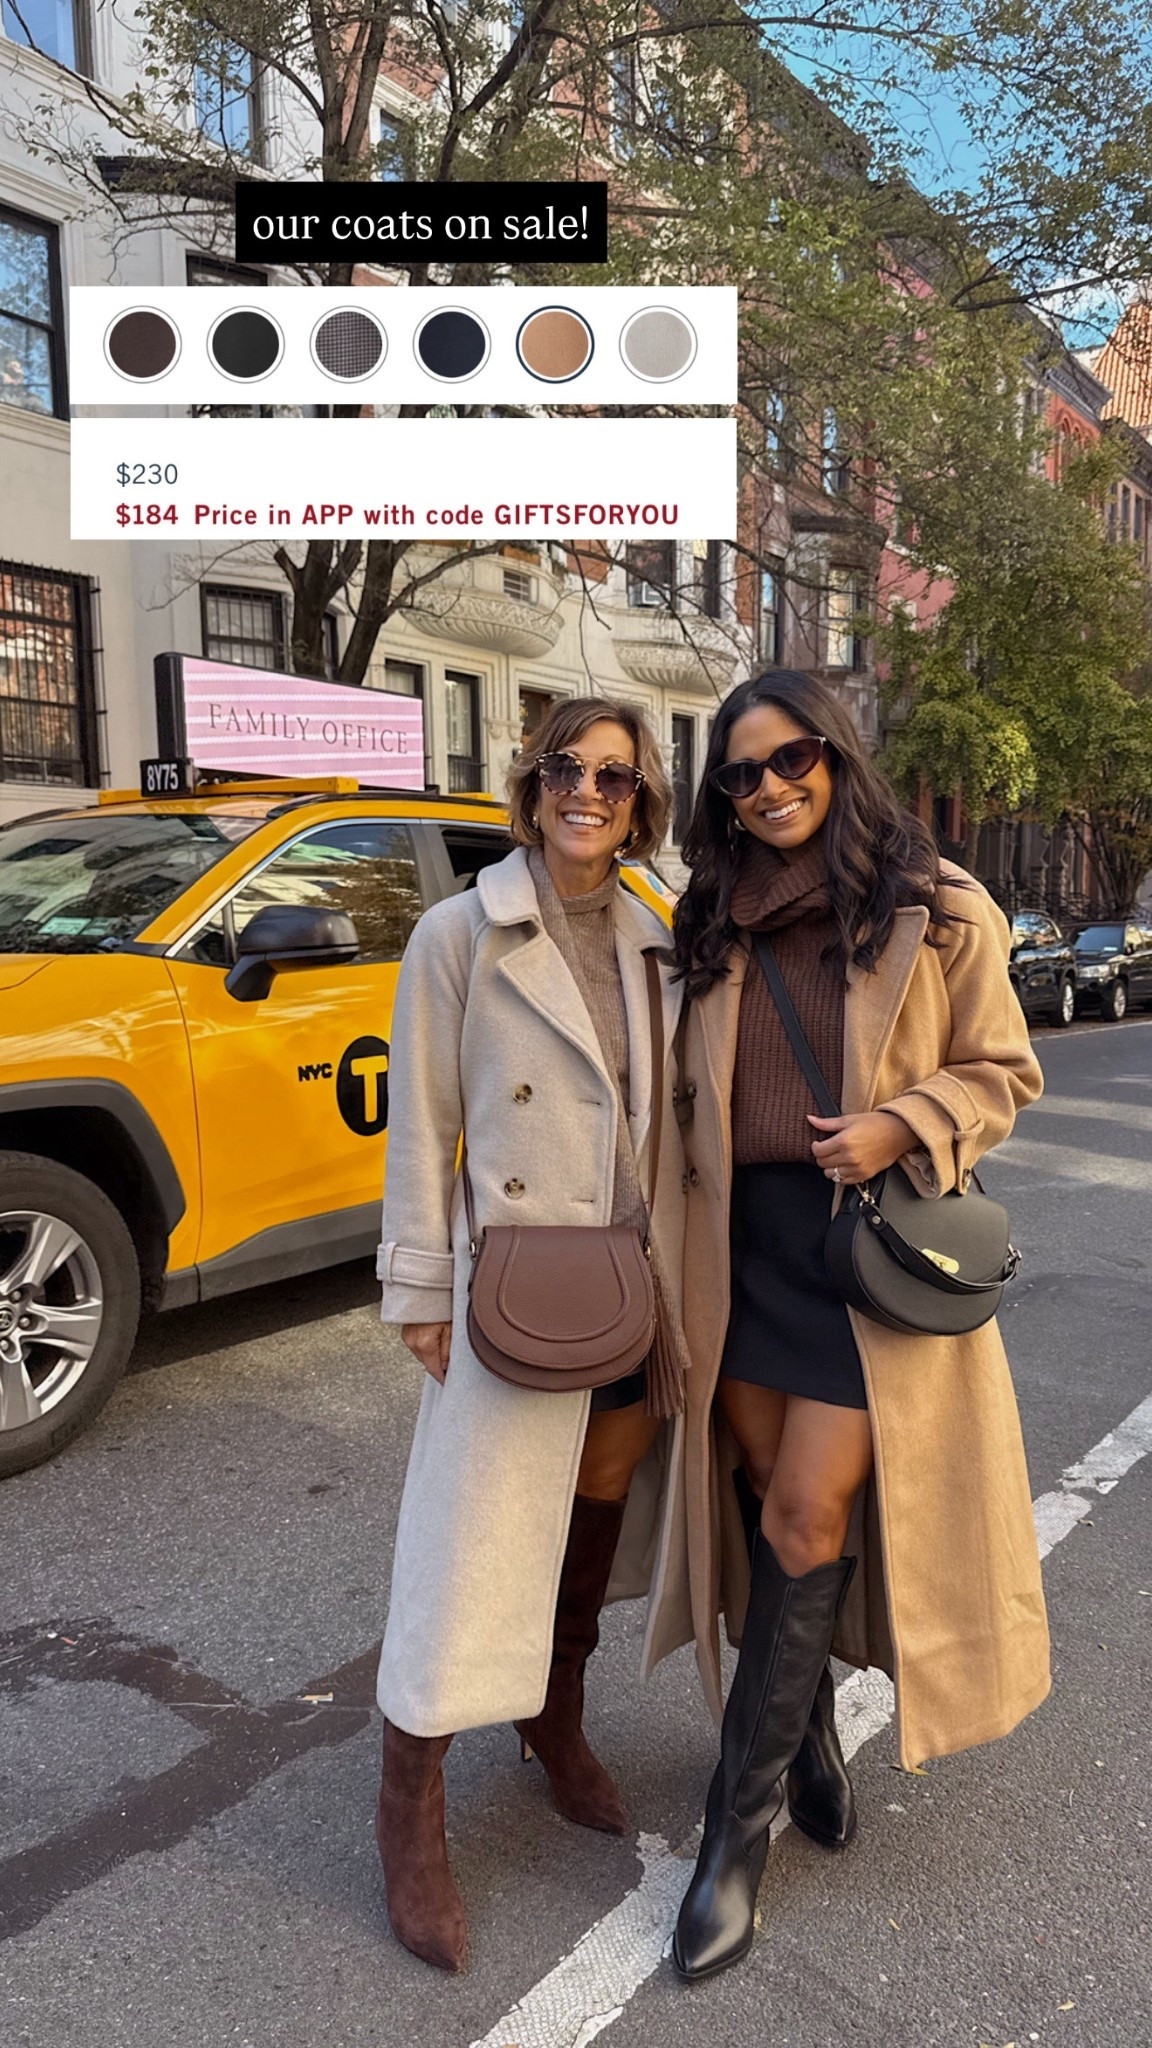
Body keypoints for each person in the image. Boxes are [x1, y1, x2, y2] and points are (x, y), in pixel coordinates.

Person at [668, 669, 1049, 1982]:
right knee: (775, 1498)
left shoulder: (935, 909)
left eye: (793, 762)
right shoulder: (711, 914)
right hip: (743, 1254)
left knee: (804, 1515)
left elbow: (1006, 1070)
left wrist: (905, 1121)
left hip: (869, 1258)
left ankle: (736, 1837)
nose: (769, 789)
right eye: (741, 774)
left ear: (839, 758)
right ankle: (811, 1734)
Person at [374, 695, 693, 1973]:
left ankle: (555, 1716)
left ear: (641, 801)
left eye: (615, 777)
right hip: (510, 1283)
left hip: (629, 1282)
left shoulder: (662, 934)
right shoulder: (461, 931)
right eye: (568, 767)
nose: (588, 792)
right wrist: (420, 1289)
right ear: (532, 781)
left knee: (593, 1514)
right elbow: (423, 1122)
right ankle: (409, 1798)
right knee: (467, 1543)